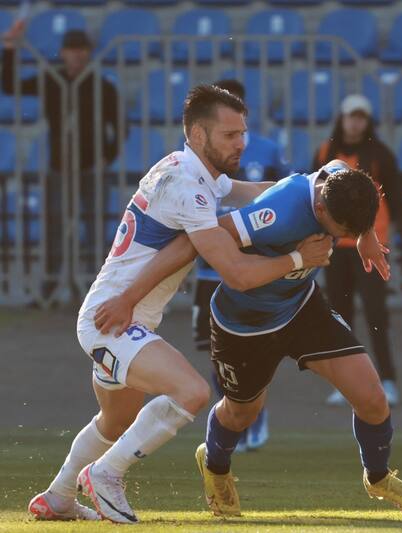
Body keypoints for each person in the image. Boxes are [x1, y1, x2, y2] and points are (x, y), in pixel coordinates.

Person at [26, 85, 333, 523]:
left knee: (114, 423)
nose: (240, 142)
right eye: (229, 135)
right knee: (192, 392)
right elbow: (238, 275)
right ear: (197, 135)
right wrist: (301, 258)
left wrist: (310, 190)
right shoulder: (188, 186)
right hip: (112, 319)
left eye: (242, 132)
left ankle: (57, 496)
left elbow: (254, 192)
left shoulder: (192, 172)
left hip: (123, 314)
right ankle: (107, 474)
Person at [114, 159, 402, 516]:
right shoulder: (278, 210)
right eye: (341, 229)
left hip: (300, 307)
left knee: (373, 398)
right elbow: (208, 237)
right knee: (242, 414)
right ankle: (214, 466)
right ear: (321, 207)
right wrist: (296, 258)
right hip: (243, 323)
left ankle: (378, 477)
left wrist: (366, 233)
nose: (341, 237)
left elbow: (341, 169)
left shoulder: (340, 183)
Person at [191, 78, 287, 453]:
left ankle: (255, 419)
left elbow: (282, 193)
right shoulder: (198, 160)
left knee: (254, 351)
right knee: (218, 355)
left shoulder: (265, 149)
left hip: (250, 264)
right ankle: (233, 418)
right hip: (207, 270)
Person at [2, 22, 122, 293]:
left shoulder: (101, 86)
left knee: (94, 224)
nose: (77, 55)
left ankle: (96, 286)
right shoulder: (51, 80)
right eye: (71, 49)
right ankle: (50, 285)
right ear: (63, 52)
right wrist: (9, 48)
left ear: (89, 53)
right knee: (54, 224)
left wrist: (107, 157)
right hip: (59, 165)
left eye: (81, 49)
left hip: (92, 166)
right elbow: (10, 86)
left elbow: (120, 127)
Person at [312, 94, 402, 407]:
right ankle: (345, 383)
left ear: (367, 121)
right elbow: (313, 198)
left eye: (361, 117)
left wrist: (401, 238)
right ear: (342, 118)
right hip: (337, 247)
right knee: (340, 315)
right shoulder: (326, 152)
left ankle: (388, 379)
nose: (355, 123)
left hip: (371, 247)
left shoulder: (380, 155)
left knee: (377, 314)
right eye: (351, 116)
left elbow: (397, 200)